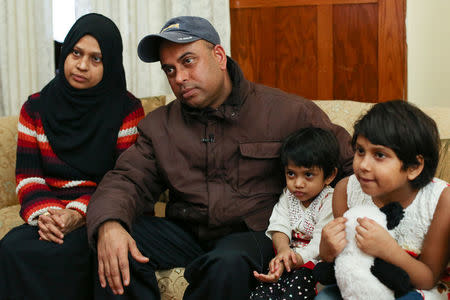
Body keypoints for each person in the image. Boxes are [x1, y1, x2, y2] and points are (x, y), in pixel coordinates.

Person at [86, 16, 354, 300]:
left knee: (226, 262)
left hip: (253, 235)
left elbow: (351, 165)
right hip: (187, 231)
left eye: (188, 61)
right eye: (170, 70)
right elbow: (127, 179)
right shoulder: (160, 125)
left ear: (218, 56)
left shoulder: (286, 112)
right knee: (109, 242)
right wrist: (110, 223)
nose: (179, 78)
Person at [0, 13, 144, 300]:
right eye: (76, 53)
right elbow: (28, 176)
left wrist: (77, 213)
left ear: (111, 62)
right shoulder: (35, 108)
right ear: (65, 52)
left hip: (103, 212)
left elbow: (122, 180)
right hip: (50, 214)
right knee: (12, 248)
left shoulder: (127, 111)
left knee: (77, 252)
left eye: (96, 58)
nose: (81, 65)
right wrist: (50, 215)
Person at [316, 100, 449, 300]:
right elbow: (346, 260)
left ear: (414, 166)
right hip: (362, 285)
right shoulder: (345, 190)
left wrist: (389, 250)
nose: (363, 165)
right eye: (360, 151)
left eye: (379, 155)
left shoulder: (440, 200)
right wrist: (326, 251)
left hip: (415, 290)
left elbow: (428, 279)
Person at [250, 127, 339, 300]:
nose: (298, 183)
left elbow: (321, 242)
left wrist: (297, 258)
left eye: (308, 175)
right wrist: (283, 251)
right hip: (288, 258)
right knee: (264, 292)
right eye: (291, 174)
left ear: (329, 176)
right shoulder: (288, 195)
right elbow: (279, 225)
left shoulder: (330, 200)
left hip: (313, 263)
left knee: (296, 290)